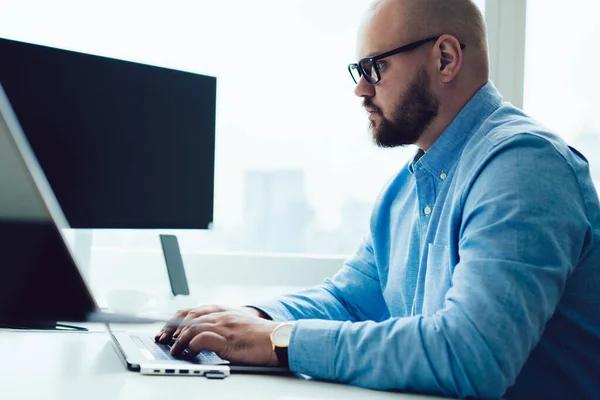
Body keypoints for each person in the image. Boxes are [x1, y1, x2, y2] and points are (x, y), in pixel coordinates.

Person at [156, 0, 600, 398]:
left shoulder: (522, 166)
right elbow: (349, 300)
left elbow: (471, 355)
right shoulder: (406, 189)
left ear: (445, 58)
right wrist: (248, 318)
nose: (361, 89)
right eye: (359, 71)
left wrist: (277, 340)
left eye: (374, 68)